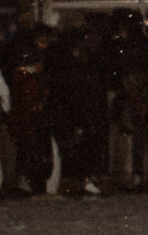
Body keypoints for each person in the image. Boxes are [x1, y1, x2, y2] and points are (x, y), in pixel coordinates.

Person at [49, 21, 112, 199]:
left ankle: (82, 179)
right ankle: (84, 180)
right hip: (81, 112)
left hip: (81, 112)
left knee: (81, 147)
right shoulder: (81, 64)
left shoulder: (79, 63)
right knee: (83, 147)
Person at [110, 10, 148, 191]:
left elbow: (122, 73)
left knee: (139, 141)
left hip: (138, 100)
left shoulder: (125, 46)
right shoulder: (147, 44)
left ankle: (138, 177)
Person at [8, 21, 54, 196]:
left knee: (35, 145)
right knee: (29, 145)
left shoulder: (44, 56)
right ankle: (28, 180)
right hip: (29, 108)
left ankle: (34, 180)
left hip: (36, 108)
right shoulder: (29, 56)